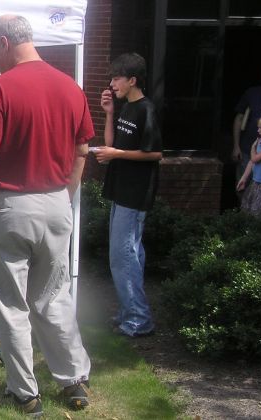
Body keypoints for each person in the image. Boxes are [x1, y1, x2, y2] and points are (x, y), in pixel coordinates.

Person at [0, 15, 93, 416]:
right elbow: (82, 152)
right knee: (54, 296)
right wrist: (63, 196)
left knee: (8, 303)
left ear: (3, 42)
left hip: (8, 206)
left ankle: (25, 392)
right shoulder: (71, 87)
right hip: (56, 202)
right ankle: (73, 379)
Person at [96, 52, 163, 340]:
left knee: (123, 256)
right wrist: (110, 113)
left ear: (132, 80)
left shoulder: (146, 109)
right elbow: (112, 145)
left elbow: (156, 153)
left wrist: (117, 154)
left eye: (117, 79)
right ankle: (128, 312)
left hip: (134, 195)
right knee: (128, 254)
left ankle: (138, 319)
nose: (112, 84)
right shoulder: (126, 108)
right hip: (120, 190)